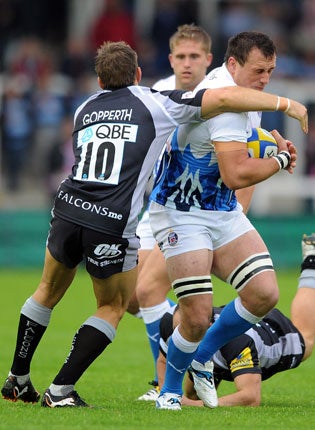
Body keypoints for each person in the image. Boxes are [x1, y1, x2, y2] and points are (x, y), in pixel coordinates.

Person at [1, 40, 304, 408]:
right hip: (113, 218)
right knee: (114, 305)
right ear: (140, 74)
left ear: (99, 79)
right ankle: (62, 391)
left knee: (46, 292)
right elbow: (219, 104)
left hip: (66, 208)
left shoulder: (84, 108)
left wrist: (261, 140)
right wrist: (284, 104)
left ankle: (17, 378)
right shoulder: (155, 101)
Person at [148, 31, 306, 410]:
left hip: (219, 209)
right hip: (181, 212)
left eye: (270, 70)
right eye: (258, 70)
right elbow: (236, 175)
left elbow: (245, 134)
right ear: (232, 65)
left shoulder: (243, 94)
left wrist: (271, 139)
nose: (265, 79)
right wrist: (280, 161)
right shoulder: (224, 99)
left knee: (264, 293)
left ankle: (202, 357)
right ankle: (168, 392)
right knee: (197, 313)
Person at [136, 23, 213, 401]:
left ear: (208, 59)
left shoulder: (222, 96)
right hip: (157, 206)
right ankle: (195, 357)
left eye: (194, 56)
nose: (187, 63)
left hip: (197, 211)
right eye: (181, 56)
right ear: (170, 59)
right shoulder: (159, 94)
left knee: (149, 290)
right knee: (141, 296)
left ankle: (166, 379)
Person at [157, 233, 315, 407]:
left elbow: (250, 398)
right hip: (225, 339)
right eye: (182, 333)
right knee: (193, 392)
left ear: (208, 326)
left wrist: (191, 405)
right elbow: (165, 360)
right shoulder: (169, 324)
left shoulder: (237, 343)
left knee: (306, 338)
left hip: (275, 333)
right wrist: (167, 393)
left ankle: (311, 263)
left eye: (193, 333)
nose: (186, 336)